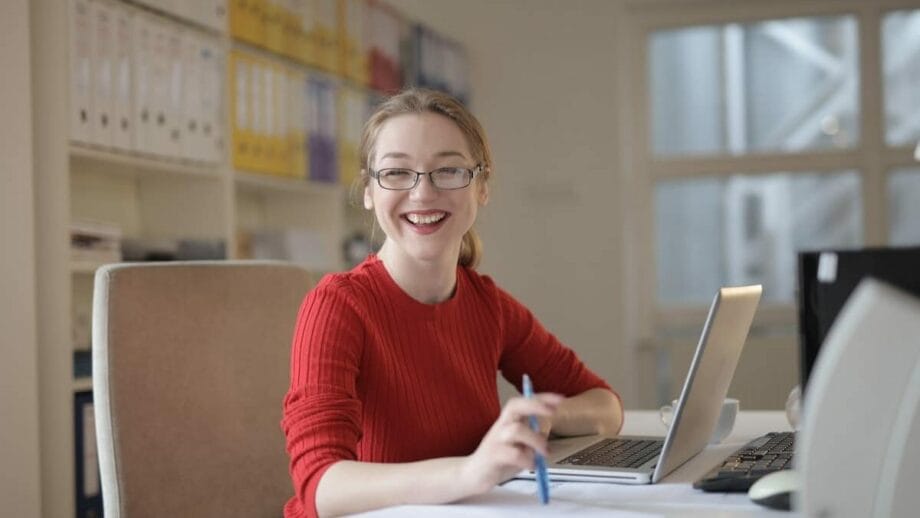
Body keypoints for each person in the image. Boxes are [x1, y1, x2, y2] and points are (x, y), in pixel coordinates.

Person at [281, 88, 624, 518]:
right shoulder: (337, 307)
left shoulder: (487, 304)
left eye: (448, 171)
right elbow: (320, 486)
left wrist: (540, 420)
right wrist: (471, 472)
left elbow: (605, 406)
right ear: (369, 191)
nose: (423, 194)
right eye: (397, 173)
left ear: (481, 187)